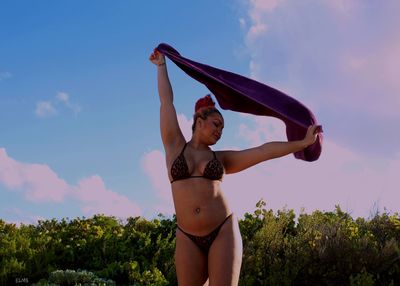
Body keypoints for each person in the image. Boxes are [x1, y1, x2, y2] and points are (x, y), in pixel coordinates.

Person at [149, 48, 321, 286]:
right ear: (199, 121)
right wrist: (161, 67)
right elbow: (166, 102)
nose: (219, 131)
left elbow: (263, 151)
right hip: (186, 235)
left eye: (222, 128)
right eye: (216, 124)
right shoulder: (174, 146)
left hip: (222, 230)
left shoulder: (222, 159)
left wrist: (302, 143)